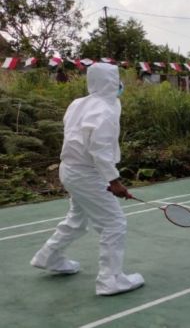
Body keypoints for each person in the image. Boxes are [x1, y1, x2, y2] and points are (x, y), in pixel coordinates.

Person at [30, 63, 144, 296]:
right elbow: (99, 149)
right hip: (87, 172)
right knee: (114, 223)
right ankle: (110, 280)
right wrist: (114, 181)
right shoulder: (105, 110)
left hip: (70, 169)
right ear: (112, 82)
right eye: (118, 79)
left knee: (77, 219)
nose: (121, 84)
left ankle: (49, 256)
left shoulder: (79, 103)